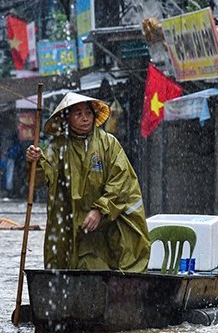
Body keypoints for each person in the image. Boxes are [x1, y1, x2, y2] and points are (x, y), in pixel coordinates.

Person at [25, 92, 150, 271]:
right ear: (67, 119)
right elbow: (40, 178)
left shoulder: (109, 143)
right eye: (78, 114)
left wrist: (100, 209)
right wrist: (34, 161)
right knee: (71, 270)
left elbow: (121, 181)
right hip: (73, 224)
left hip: (108, 223)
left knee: (108, 266)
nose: (85, 118)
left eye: (88, 113)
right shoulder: (57, 147)